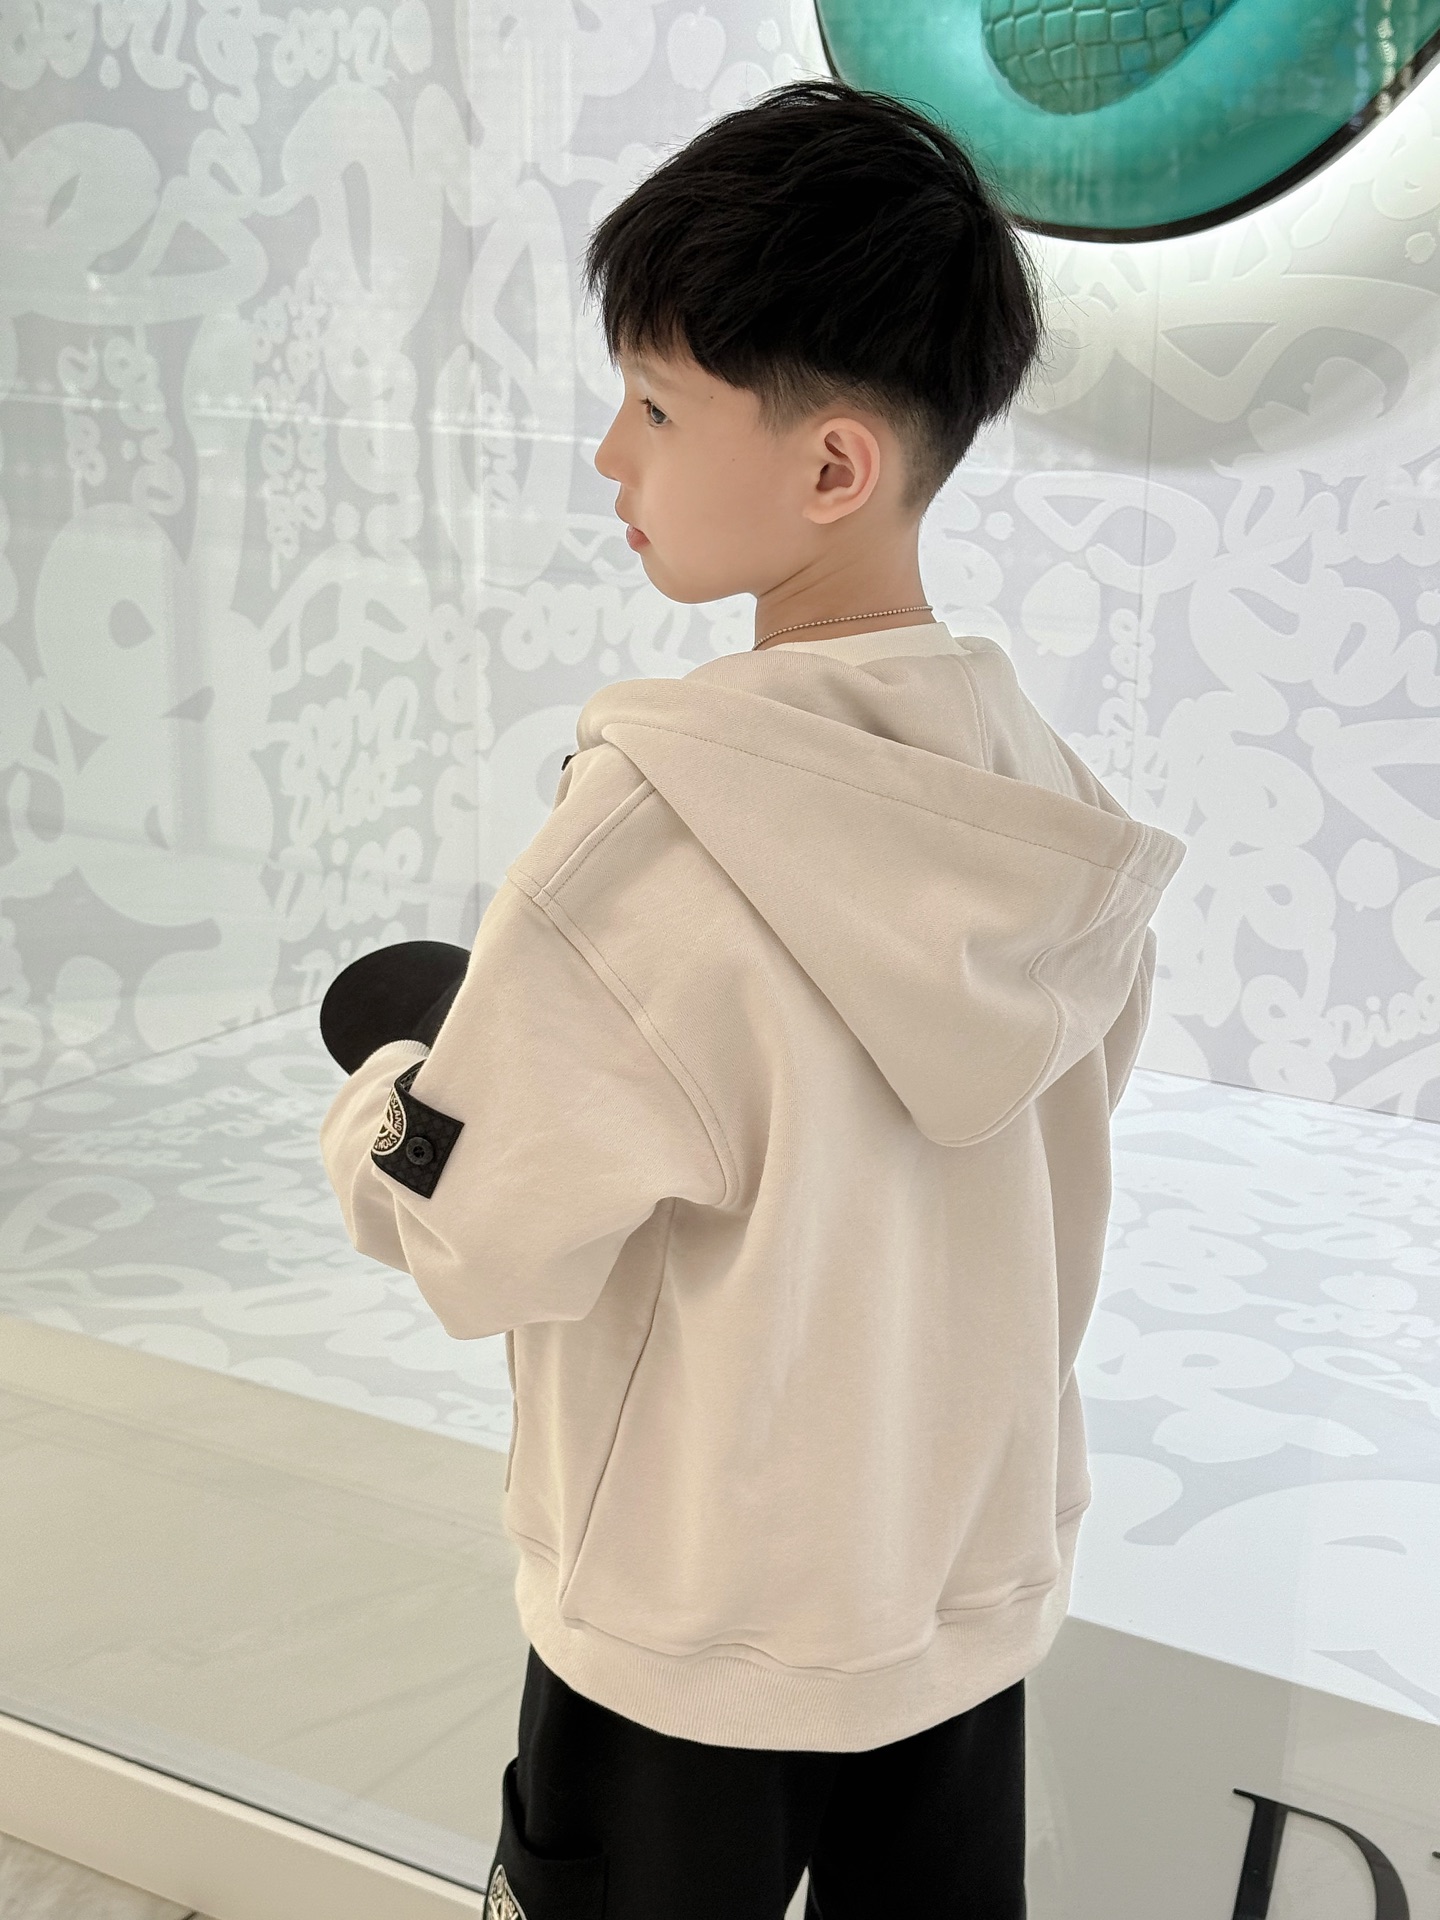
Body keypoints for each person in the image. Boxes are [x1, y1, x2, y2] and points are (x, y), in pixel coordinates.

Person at [320, 78, 1186, 1920]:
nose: (608, 457)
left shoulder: (652, 830)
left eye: (653, 406)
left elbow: (476, 1237)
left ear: (832, 469)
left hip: (689, 1632)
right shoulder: (1052, 816)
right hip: (949, 1606)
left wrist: (388, 1083)